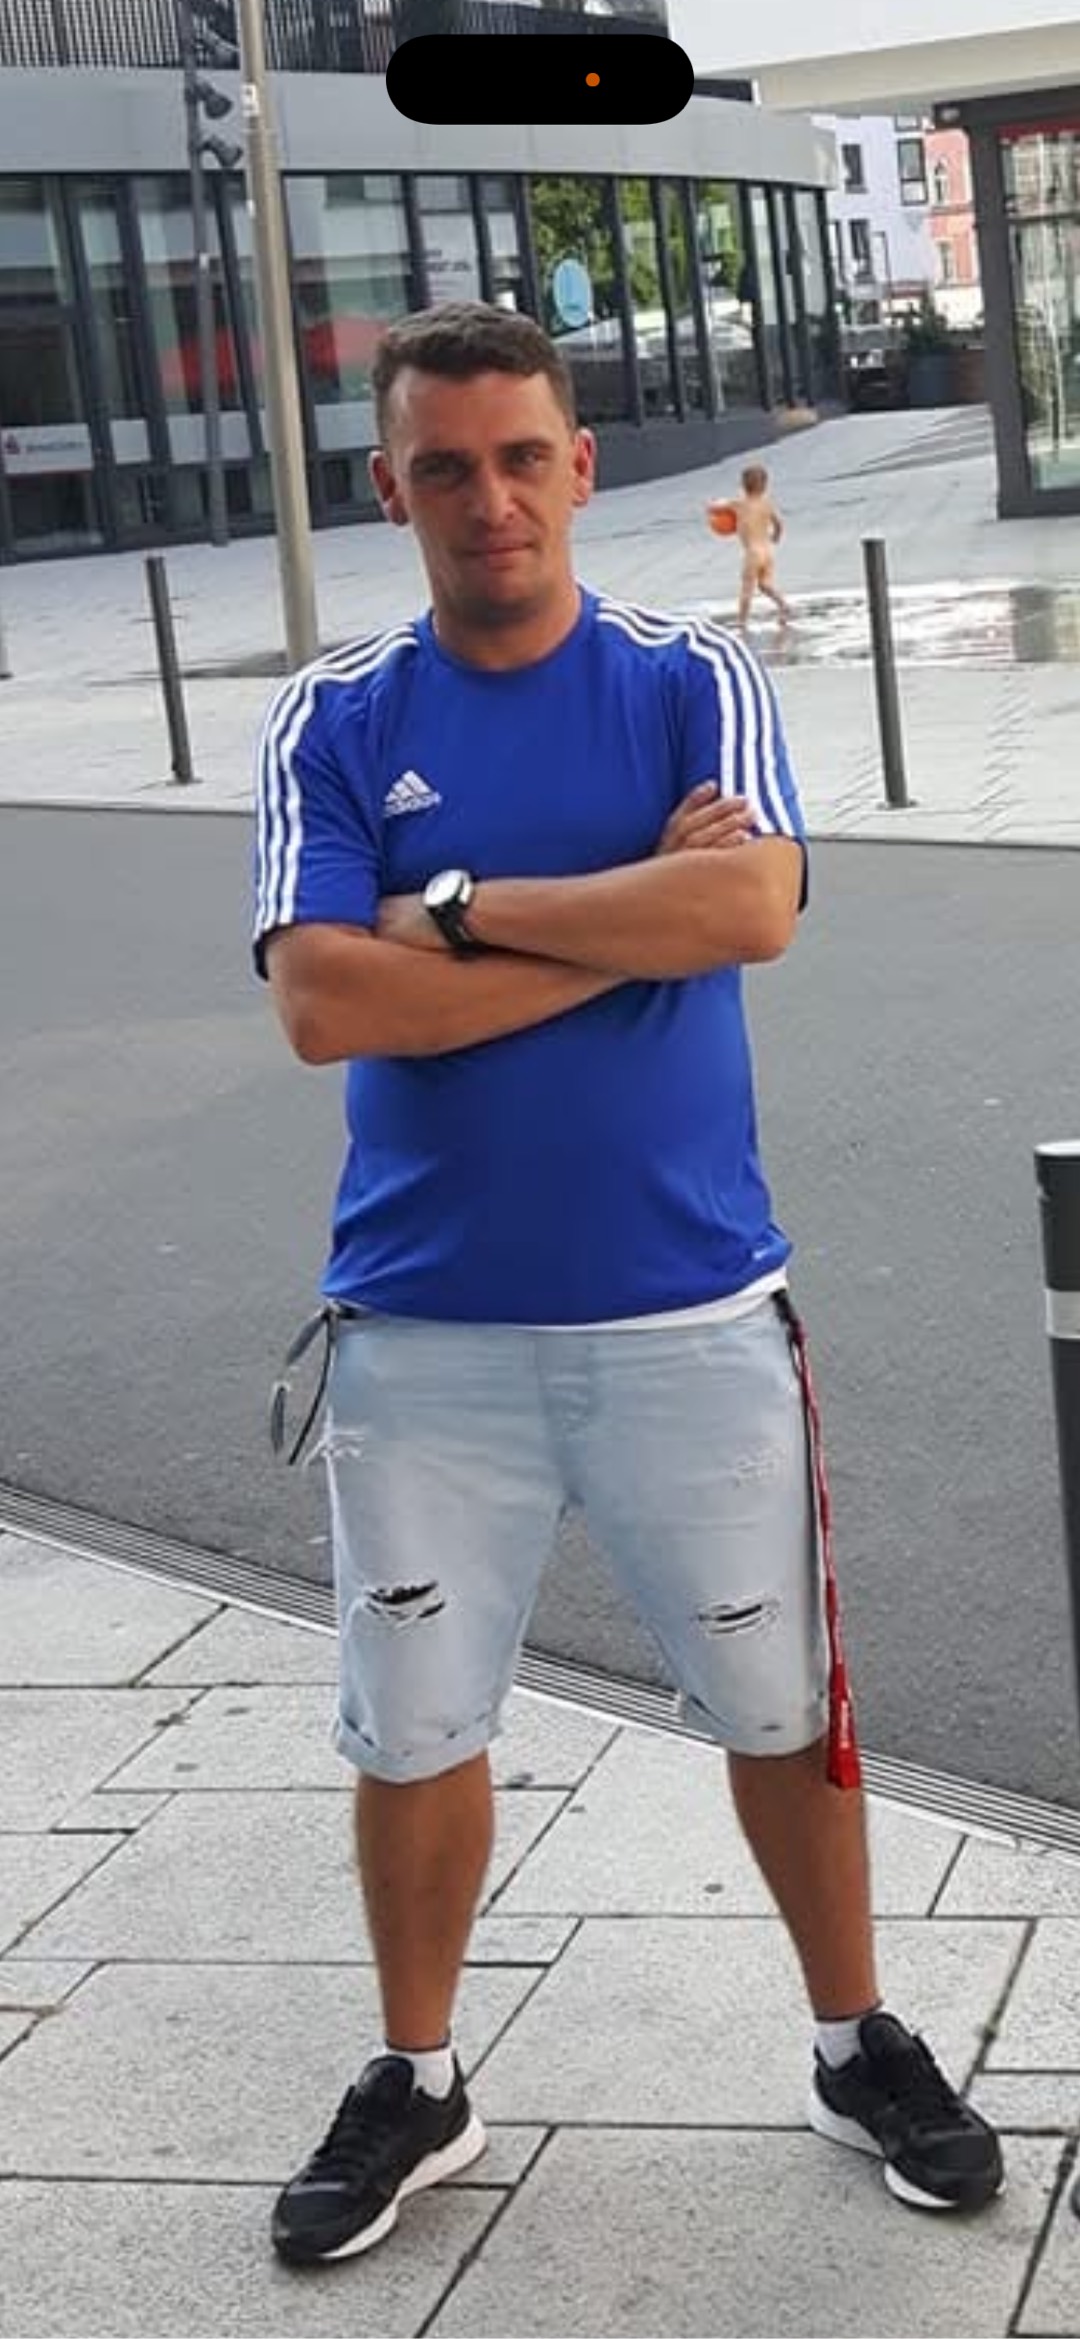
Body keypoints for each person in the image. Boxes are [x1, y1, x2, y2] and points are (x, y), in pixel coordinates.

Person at [252, 301, 1003, 2269]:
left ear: (580, 466)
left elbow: (750, 900)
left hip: (691, 1309)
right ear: (389, 486)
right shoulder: (336, 717)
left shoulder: (690, 677)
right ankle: (420, 2071)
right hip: (420, 1327)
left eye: (522, 457)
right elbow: (324, 1001)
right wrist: (623, 929)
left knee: (782, 1699)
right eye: (444, 465)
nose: (489, 497)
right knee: (412, 1724)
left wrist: (457, 911)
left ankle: (852, 2037)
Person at [712, 461, 791, 630]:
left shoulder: (739, 504)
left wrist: (718, 503)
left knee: (746, 589)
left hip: (752, 554)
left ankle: (742, 621)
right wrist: (776, 537)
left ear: (742, 485)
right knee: (765, 585)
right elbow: (779, 524)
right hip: (767, 552)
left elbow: (714, 507)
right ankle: (783, 605)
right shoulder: (767, 503)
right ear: (765, 485)